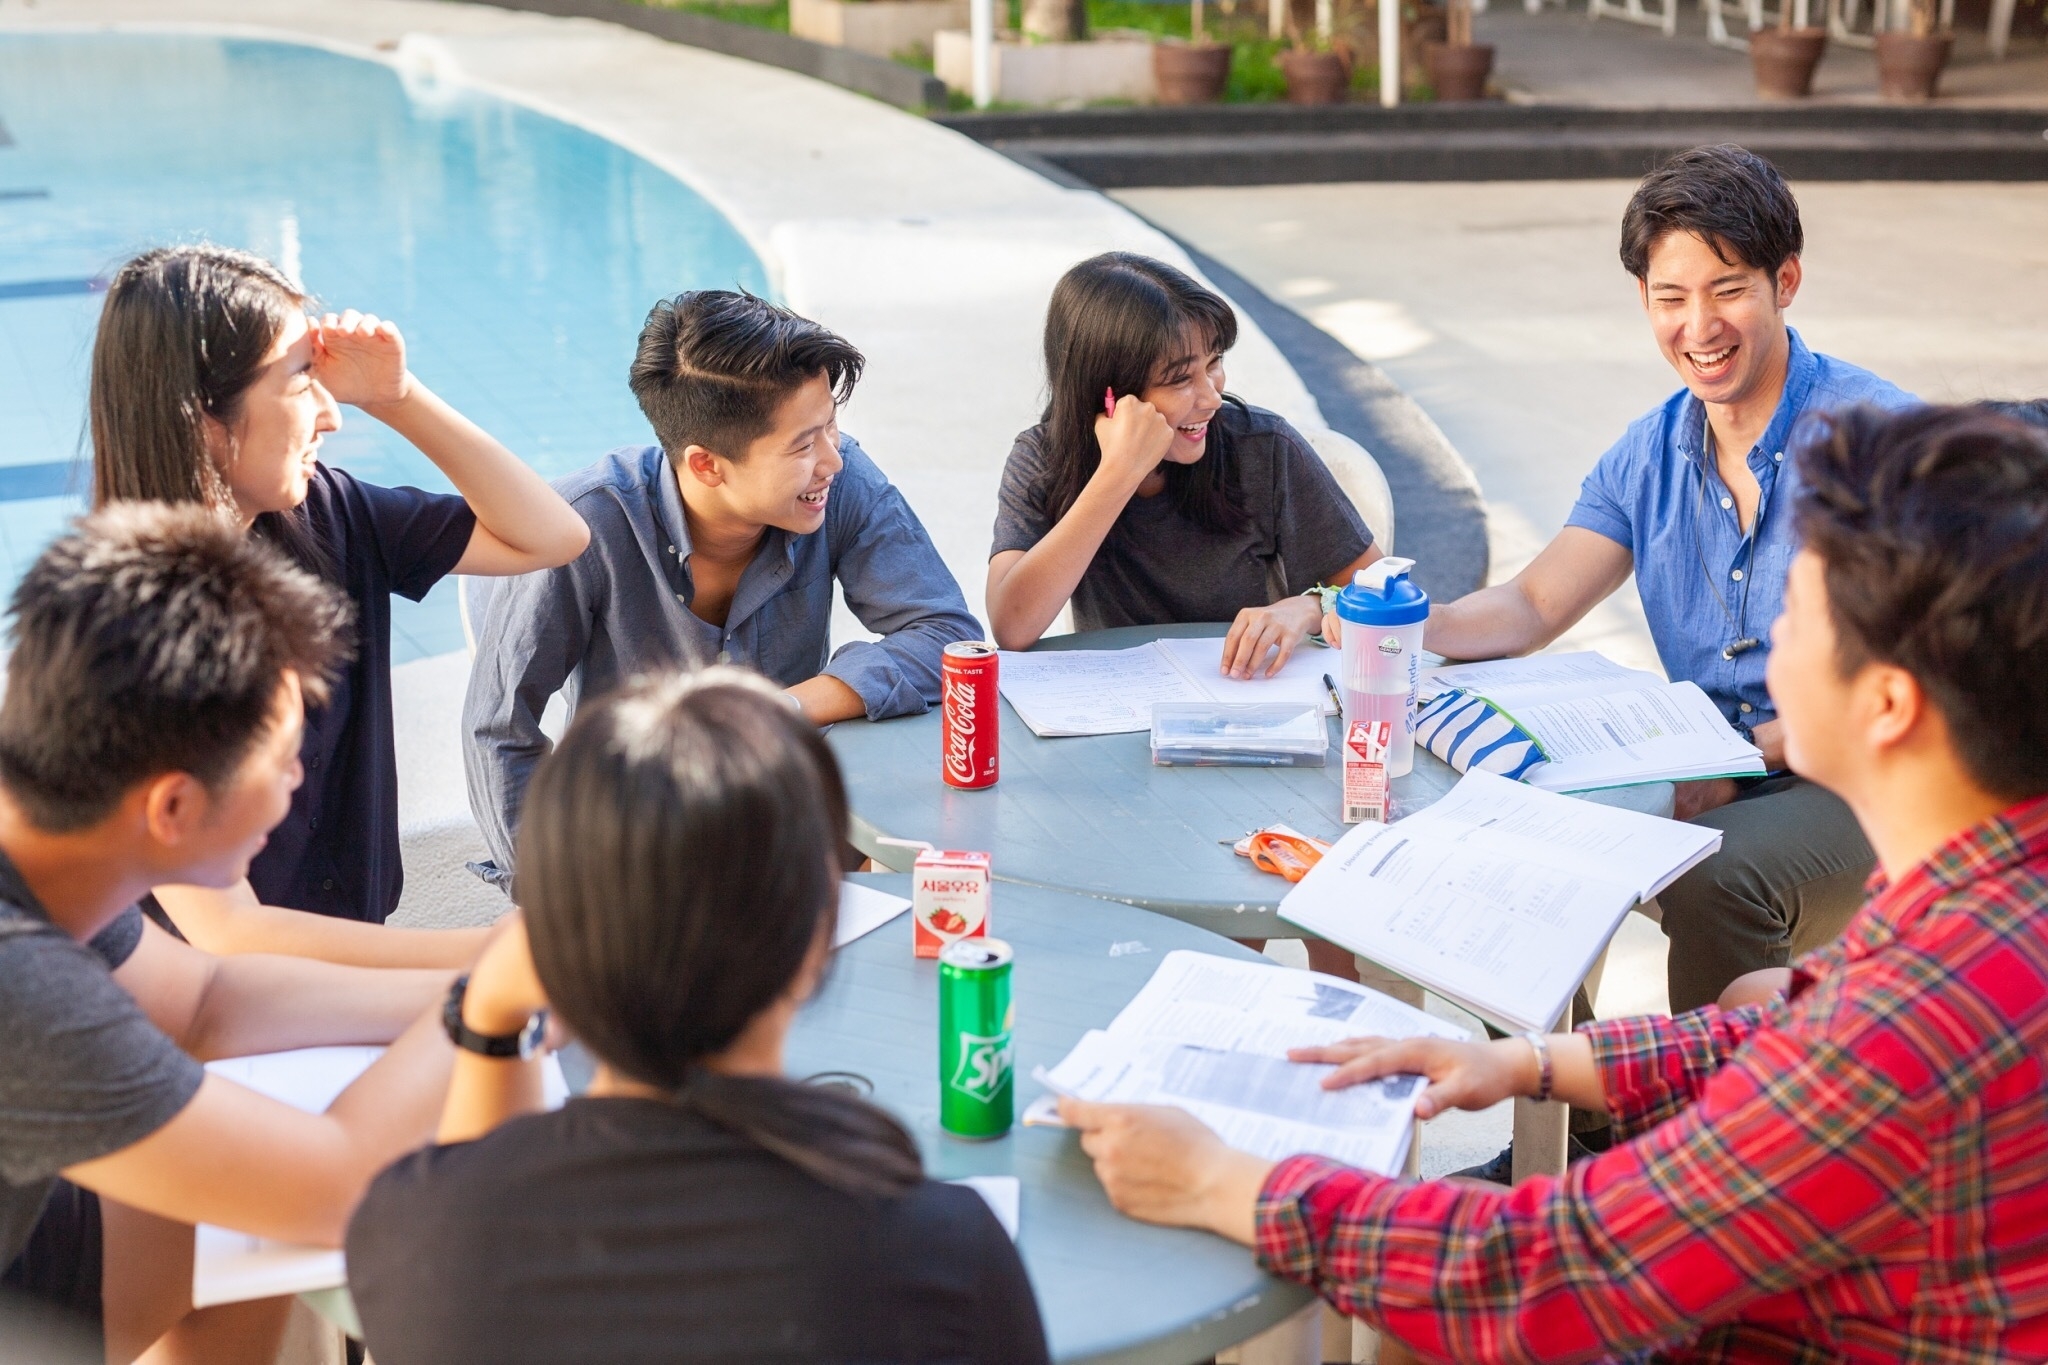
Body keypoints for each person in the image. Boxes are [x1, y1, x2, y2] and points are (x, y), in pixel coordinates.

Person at [1065, 402, 2048, 1359]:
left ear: (1884, 703)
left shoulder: (1915, 1020)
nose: (1765, 642)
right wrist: (1531, 1066)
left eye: (1796, 609)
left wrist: (1218, 1182)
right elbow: (1794, 1028)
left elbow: (1556, 1277)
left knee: (1408, 1297)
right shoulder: (1984, 898)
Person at [1331, 146, 1916, 1173]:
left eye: (1727, 290)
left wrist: (1749, 753)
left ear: (1784, 282)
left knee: (1713, 883)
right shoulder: (1648, 452)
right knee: (1517, 825)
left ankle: (1709, 1167)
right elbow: (1525, 605)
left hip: (1863, 776)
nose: (1698, 327)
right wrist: (1359, 613)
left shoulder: (1872, 440)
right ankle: (1581, 1132)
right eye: (1669, 297)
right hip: (1715, 759)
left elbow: (1924, 670)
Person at [352, 669, 1050, 1364]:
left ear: (549, 936)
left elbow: (477, 1188)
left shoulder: (407, 1232)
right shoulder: (942, 1254)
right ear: (815, 939)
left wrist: (488, 1018)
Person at [0, 504, 462, 1364]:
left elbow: (208, 999)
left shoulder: (40, 824)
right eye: (282, 758)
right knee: (284, 1204)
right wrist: (488, 1005)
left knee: (239, 1223)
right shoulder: (22, 984)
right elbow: (334, 1185)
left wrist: (523, 954)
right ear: (172, 806)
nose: (297, 777)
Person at [89, 244, 590, 966]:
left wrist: (398, 396)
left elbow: (553, 534)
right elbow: (226, 933)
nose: (331, 415)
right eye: (302, 380)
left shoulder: (328, 512)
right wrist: (499, 958)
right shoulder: (130, 625)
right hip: (204, 1006)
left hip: (341, 954)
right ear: (204, 417)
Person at [463, 290, 980, 887]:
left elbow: (948, 639)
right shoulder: (580, 527)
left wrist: (780, 708)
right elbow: (499, 728)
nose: (833, 460)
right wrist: (562, 909)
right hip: (633, 838)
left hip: (781, 809)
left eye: (832, 427)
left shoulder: (839, 480)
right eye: (803, 444)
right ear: (707, 464)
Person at [986, 252, 1380, 677]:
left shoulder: (1262, 447)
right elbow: (1013, 628)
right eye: (1180, 379)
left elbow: (1383, 591)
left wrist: (1306, 607)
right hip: (1117, 703)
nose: (1211, 397)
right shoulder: (1042, 459)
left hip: (1244, 692)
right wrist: (1118, 473)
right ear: (1109, 397)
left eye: (1215, 364)